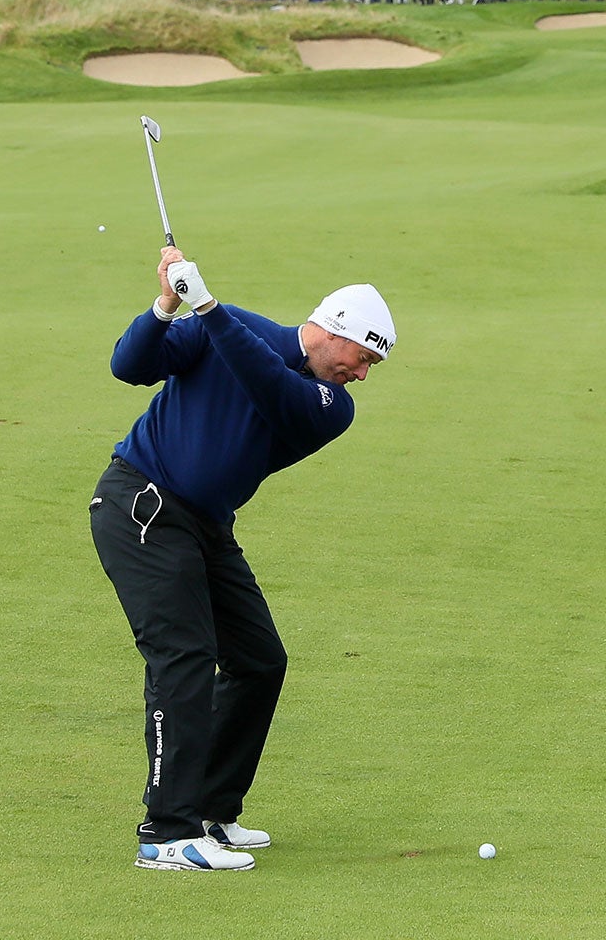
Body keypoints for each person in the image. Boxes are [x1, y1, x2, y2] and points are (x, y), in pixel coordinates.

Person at [91, 247, 394, 872]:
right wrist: (167, 307)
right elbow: (129, 366)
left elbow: (271, 387)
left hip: (204, 525)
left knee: (259, 660)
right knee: (184, 654)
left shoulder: (330, 406)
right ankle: (168, 833)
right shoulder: (226, 326)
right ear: (332, 330)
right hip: (142, 505)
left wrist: (208, 307)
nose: (364, 373)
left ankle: (209, 810)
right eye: (363, 357)